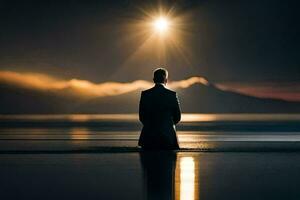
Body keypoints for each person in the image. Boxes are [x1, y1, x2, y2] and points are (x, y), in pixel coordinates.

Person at [138, 68, 181, 150]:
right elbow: (177, 117)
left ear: (154, 79)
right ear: (166, 80)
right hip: (168, 136)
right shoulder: (172, 95)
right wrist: (167, 125)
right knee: (169, 161)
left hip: (148, 136)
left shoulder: (145, 94)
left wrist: (150, 125)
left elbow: (142, 116)